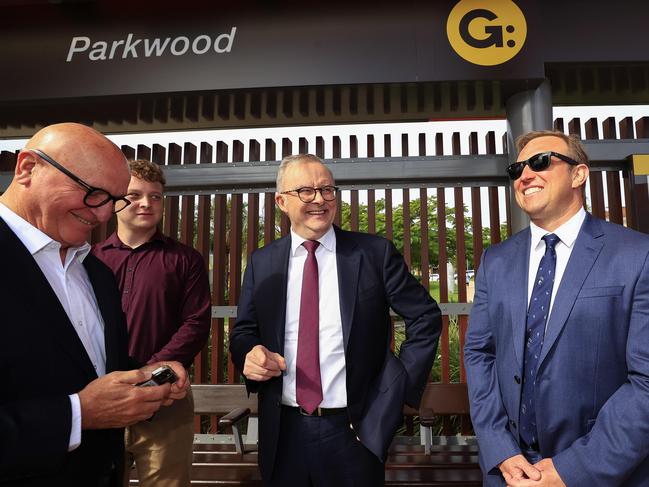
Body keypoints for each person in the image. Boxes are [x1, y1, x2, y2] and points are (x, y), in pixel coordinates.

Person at [229, 154, 442, 487]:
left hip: (354, 431)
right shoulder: (263, 262)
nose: (320, 199)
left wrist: (397, 385)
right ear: (281, 201)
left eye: (327, 190)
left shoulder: (373, 253)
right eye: (307, 191)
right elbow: (244, 331)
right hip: (283, 431)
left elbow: (425, 317)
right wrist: (249, 355)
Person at [0, 123, 188, 487]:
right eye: (93, 193)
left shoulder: (95, 271)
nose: (103, 215)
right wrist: (77, 415)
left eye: (114, 200)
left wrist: (142, 374)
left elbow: (88, 366)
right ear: (27, 169)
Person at [464, 130, 649, 486]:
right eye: (517, 169)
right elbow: (479, 354)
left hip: (600, 471)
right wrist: (500, 449)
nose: (525, 175)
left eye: (540, 162)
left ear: (579, 174)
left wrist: (573, 468)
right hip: (510, 472)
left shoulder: (636, 255)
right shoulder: (496, 261)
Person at [93, 159, 211, 487]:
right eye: (135, 195)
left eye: (155, 196)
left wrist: (152, 372)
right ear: (117, 200)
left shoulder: (185, 260)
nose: (146, 203)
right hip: (103, 399)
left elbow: (196, 322)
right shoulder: (89, 261)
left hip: (166, 401)